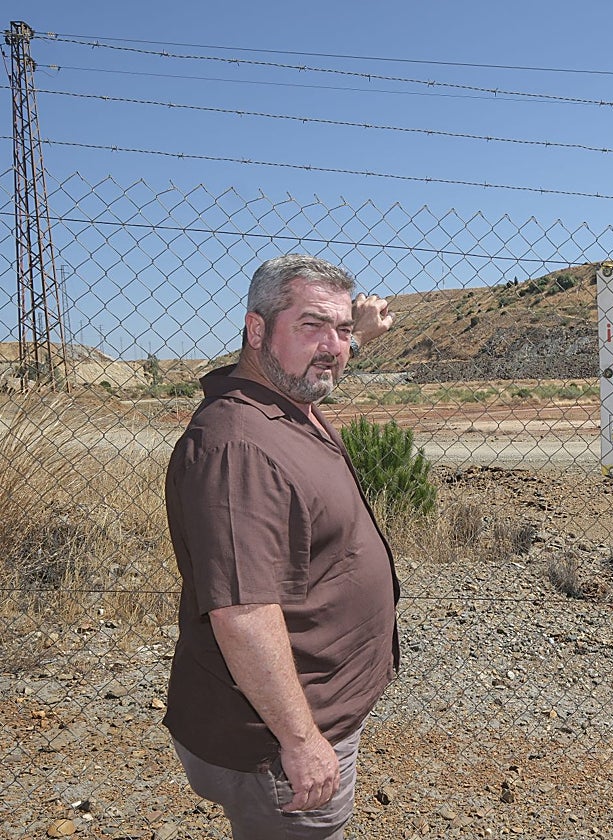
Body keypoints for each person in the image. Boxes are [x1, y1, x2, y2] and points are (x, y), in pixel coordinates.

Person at [164, 254, 399, 839]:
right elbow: (242, 614)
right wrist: (300, 743)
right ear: (256, 329)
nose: (332, 347)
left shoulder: (283, 399)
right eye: (312, 325)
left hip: (308, 709)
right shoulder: (237, 449)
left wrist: (352, 332)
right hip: (277, 741)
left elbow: (316, 366)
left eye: (340, 332)